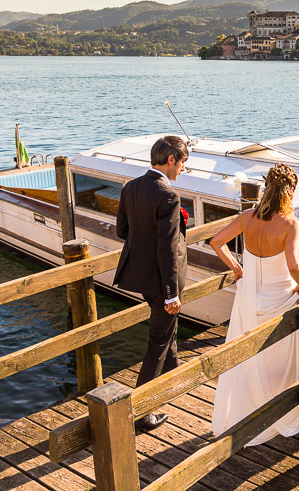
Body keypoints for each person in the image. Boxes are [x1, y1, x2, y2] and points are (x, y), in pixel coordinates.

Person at [209, 163, 299, 444]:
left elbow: (216, 242)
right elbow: (293, 265)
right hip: (281, 299)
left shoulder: (246, 217)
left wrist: (236, 267)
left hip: (249, 297)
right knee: (281, 360)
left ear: (266, 188)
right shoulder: (290, 223)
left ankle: (247, 410)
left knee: (250, 357)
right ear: (290, 192)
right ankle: (280, 410)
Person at [113, 135, 189, 432]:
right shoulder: (168, 196)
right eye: (183, 162)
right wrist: (171, 294)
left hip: (141, 276)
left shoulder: (131, 187)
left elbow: (123, 231)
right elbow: (169, 247)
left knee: (166, 332)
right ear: (171, 160)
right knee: (158, 341)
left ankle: (171, 379)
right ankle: (140, 411)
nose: (183, 168)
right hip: (163, 282)